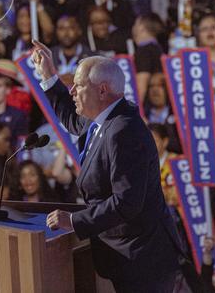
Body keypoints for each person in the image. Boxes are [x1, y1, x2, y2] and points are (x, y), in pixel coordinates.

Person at [31, 40, 182, 292]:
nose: (72, 92)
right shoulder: (103, 118)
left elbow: (127, 202)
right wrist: (48, 76)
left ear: (102, 91)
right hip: (125, 256)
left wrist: (74, 220)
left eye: (78, 86)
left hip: (142, 260)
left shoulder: (124, 131)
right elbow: (71, 119)